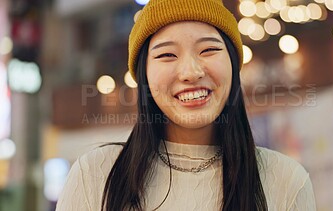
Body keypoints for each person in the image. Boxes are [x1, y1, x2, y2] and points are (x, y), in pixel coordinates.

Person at [56, 0, 317, 210]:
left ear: (233, 63)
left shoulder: (286, 181)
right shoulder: (95, 175)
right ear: (143, 73)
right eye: (167, 55)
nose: (191, 72)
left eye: (208, 50)